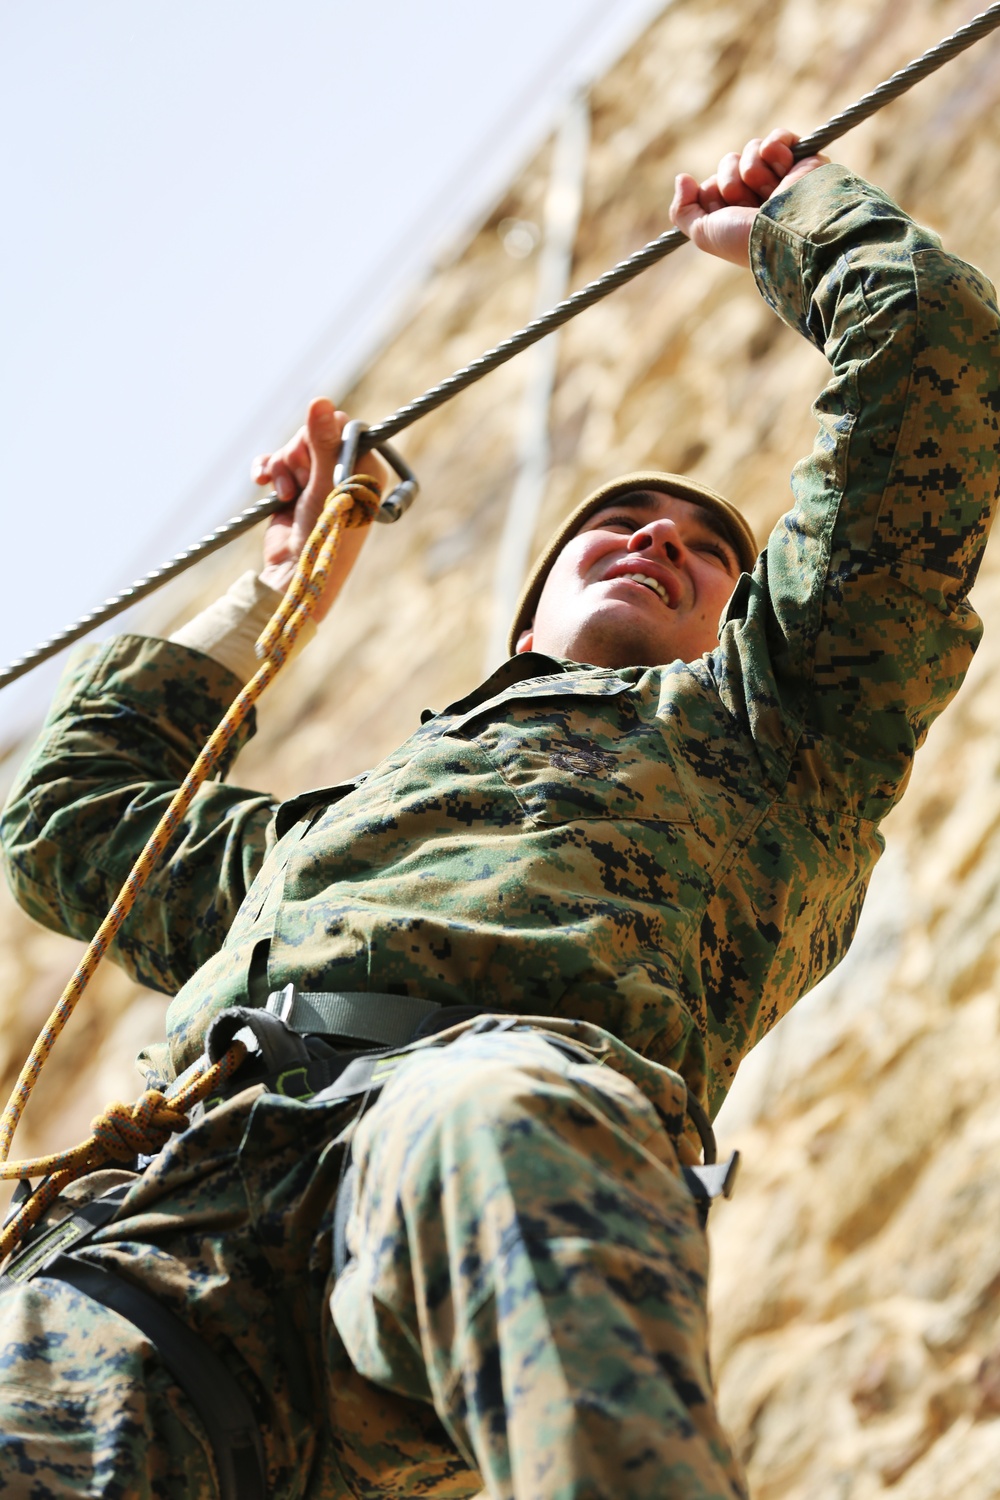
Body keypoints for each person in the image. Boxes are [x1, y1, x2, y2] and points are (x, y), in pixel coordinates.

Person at [0, 127, 997, 1500]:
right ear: (526, 619)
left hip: (475, 1155)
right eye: (628, 521)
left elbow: (931, 367)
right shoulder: (313, 852)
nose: (666, 542)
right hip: (170, 1233)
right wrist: (271, 589)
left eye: (711, 555)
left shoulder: (776, 734)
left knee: (501, 1107)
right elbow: (67, 821)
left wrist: (793, 218)